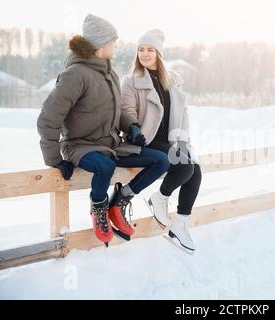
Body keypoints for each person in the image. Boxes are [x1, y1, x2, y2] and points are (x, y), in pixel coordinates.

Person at [37, 15, 170, 246]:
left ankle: (120, 200)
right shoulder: (75, 75)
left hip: (110, 145)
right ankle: (99, 209)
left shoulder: (110, 74)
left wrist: (132, 126)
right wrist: (55, 159)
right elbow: (48, 118)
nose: (116, 46)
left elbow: (117, 112)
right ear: (100, 45)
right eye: (113, 41)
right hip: (80, 146)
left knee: (161, 161)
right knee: (105, 166)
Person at [121, 29, 201, 252]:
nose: (144, 54)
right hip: (145, 140)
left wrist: (183, 141)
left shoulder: (172, 82)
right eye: (140, 50)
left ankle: (180, 225)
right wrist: (133, 128)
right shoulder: (131, 82)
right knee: (185, 166)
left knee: (196, 169)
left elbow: (183, 115)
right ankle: (159, 198)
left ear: (159, 53)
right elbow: (126, 110)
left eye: (150, 50)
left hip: (169, 141)